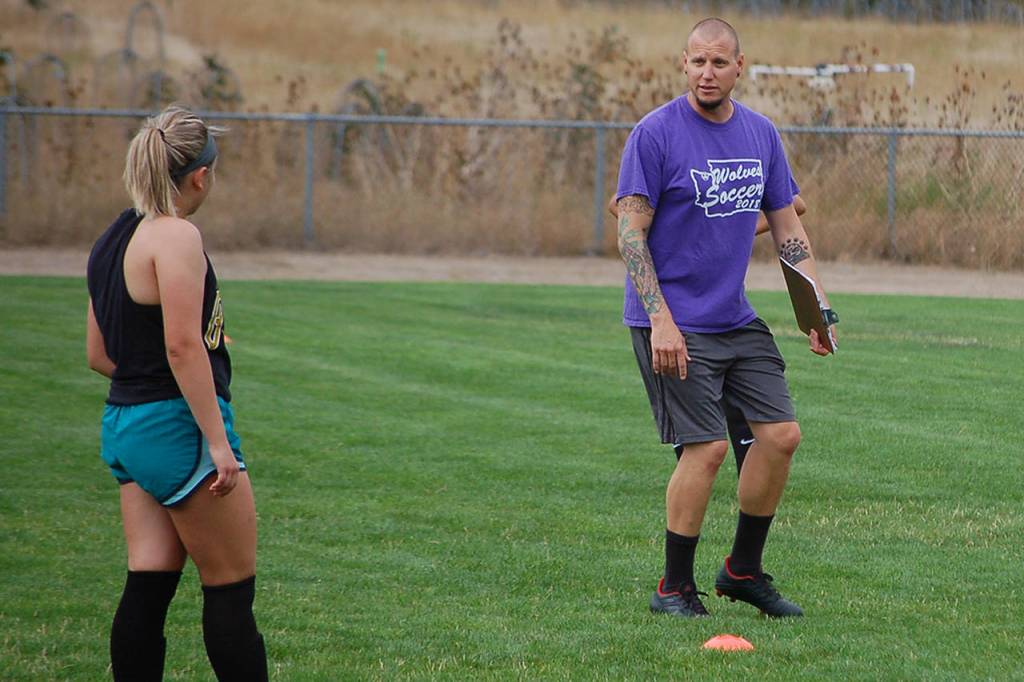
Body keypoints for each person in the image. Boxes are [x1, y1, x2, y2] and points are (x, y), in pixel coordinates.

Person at [614, 18, 838, 619]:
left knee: (781, 436)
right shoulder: (654, 134)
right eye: (696, 63)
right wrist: (660, 320)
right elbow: (629, 235)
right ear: (682, 65)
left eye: (718, 63)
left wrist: (814, 308)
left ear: (740, 67)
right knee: (708, 448)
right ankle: (672, 588)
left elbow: (789, 226)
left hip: (733, 317)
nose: (706, 73)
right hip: (673, 320)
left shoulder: (761, 135)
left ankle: (742, 571)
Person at [86, 104, 269, 680]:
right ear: (201, 175)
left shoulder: (116, 236)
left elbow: (99, 354)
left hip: (125, 425)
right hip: (177, 428)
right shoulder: (176, 235)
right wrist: (216, 443)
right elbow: (183, 348)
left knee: (149, 582)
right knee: (231, 592)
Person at [609, 190, 807, 474]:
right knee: (697, 412)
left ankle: (730, 462)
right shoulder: (666, 148)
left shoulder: (751, 150)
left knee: (740, 400)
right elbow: (619, 206)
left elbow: (794, 205)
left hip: (722, 306)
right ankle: (696, 458)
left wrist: (730, 230)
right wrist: (686, 231)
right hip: (676, 304)